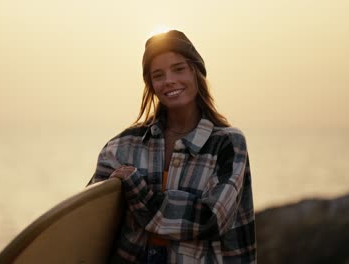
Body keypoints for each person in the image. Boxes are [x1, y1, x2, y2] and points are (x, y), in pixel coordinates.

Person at [89, 29, 256, 264]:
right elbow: (90, 221)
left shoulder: (227, 143)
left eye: (179, 69)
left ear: (196, 72)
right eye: (158, 75)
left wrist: (138, 190)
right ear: (151, 85)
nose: (169, 80)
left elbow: (212, 217)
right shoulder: (122, 146)